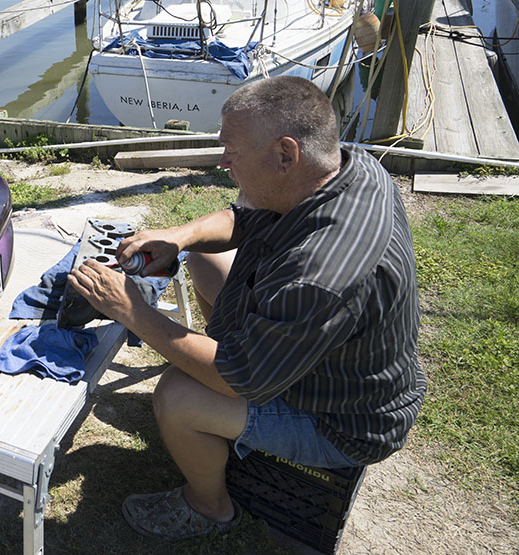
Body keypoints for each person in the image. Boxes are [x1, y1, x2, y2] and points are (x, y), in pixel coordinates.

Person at [67, 76, 426, 541]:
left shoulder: (321, 276)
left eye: (232, 152)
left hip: (344, 420)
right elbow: (244, 218)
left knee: (177, 394)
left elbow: (235, 378)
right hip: (313, 356)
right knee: (204, 256)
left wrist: (132, 310)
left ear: (285, 155)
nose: (223, 162)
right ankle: (217, 416)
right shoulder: (348, 169)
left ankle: (208, 507)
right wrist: (179, 237)